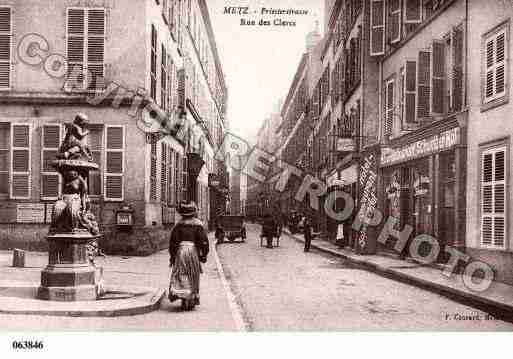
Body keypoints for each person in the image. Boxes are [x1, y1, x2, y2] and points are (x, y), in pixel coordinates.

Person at [168, 201, 209, 311]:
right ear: (194, 212)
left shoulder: (179, 225)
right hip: (192, 251)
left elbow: (173, 242)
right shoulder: (198, 225)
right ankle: (191, 296)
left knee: (180, 273)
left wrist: (172, 256)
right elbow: (203, 241)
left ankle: (181, 294)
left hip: (181, 252)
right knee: (193, 273)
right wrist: (204, 254)